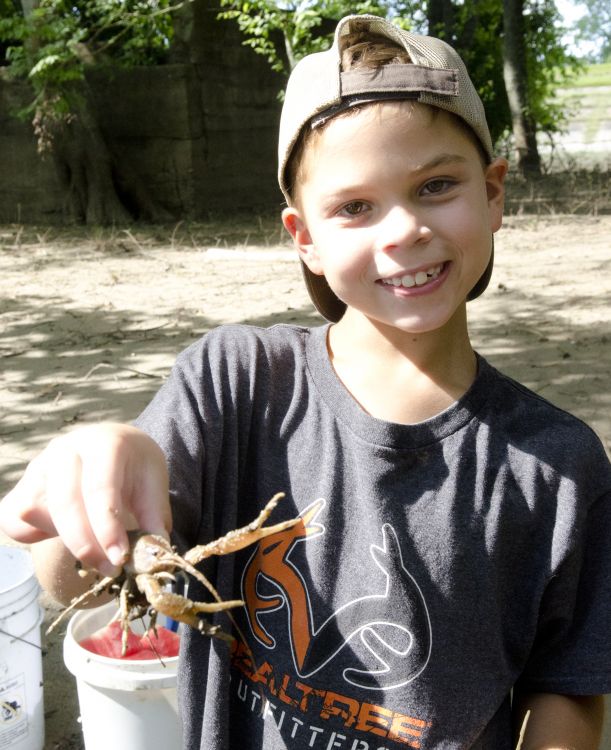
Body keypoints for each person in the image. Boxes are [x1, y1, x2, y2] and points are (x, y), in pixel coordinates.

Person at [1, 14, 609, 750]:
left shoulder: (559, 465)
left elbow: (568, 685)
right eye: (354, 207)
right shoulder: (233, 384)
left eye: (436, 186)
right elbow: (74, 582)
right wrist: (86, 470)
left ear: (493, 194)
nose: (402, 230)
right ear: (305, 239)